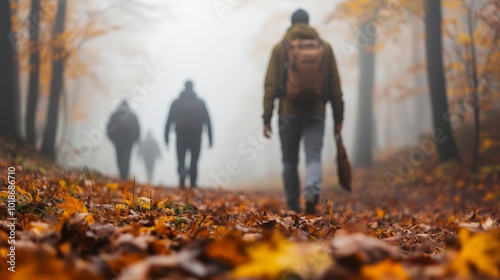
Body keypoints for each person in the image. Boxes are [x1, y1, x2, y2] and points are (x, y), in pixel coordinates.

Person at [262, 9, 344, 215]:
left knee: (289, 160)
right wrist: (338, 117)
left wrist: (266, 117)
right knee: (314, 156)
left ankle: (292, 205)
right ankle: (311, 193)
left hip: (288, 112)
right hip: (317, 111)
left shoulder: (280, 48)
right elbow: (335, 84)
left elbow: (270, 85)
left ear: (291, 24)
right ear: (308, 23)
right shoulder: (324, 48)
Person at [165, 80, 213, 188]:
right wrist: (210, 138)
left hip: (181, 135)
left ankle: (182, 177)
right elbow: (208, 121)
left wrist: (166, 137)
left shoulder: (176, 102)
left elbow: (169, 120)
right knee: (194, 159)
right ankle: (193, 182)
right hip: (196, 135)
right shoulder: (200, 103)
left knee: (180, 158)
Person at [107, 100, 141, 181]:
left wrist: (112, 139)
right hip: (129, 142)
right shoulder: (132, 115)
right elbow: (137, 129)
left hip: (118, 141)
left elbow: (108, 129)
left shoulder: (114, 115)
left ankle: (122, 175)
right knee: (127, 158)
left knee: (119, 158)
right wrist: (136, 139)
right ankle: (124, 175)